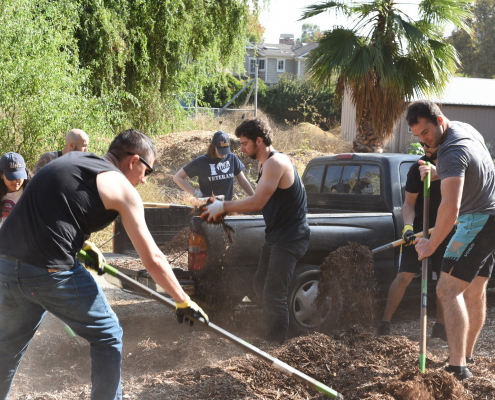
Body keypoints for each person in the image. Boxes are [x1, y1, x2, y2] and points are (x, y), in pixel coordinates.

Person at [0, 129, 207, 399]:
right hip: (50, 272)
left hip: (5, 266)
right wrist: (182, 300)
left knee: (6, 350)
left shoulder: (70, 161)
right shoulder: (121, 188)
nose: (145, 181)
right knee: (108, 335)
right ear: (133, 161)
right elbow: (153, 258)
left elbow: (56, 205)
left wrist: (84, 244)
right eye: (148, 171)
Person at [201, 118, 310, 344]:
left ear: (259, 141)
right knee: (261, 286)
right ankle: (274, 323)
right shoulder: (263, 164)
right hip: (276, 236)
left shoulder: (275, 163)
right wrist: (227, 205)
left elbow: (258, 202)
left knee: (273, 293)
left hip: (291, 238)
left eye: (244, 143)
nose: (240, 149)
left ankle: (276, 345)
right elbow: (257, 198)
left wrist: (224, 207)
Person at [408, 100, 495, 381]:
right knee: (474, 288)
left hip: (478, 220)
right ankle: (466, 356)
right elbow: (471, 170)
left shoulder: (450, 151)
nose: (423, 140)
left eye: (426, 133)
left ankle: (457, 368)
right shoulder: (464, 129)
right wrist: (438, 174)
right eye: (418, 136)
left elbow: (450, 207)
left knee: (446, 290)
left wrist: (431, 244)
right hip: (490, 212)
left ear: (440, 120)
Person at [377, 143, 454, 339]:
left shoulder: (453, 167)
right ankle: (385, 322)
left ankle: (440, 326)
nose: (426, 148)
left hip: (446, 231)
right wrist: (408, 227)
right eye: (423, 145)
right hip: (420, 232)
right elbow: (409, 204)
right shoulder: (416, 168)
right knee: (404, 276)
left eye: (430, 144)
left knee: (443, 282)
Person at [173, 130, 254, 200]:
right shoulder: (201, 162)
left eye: (225, 150)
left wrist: (254, 197)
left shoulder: (231, 158)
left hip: (227, 206)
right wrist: (195, 193)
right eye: (220, 150)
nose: (223, 154)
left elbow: (243, 181)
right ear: (213, 147)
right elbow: (177, 177)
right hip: (208, 207)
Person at [0, 152, 32, 228]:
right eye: (12, 177)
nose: (16, 181)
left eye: (19, 176)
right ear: (1, 175)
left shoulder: (31, 191)